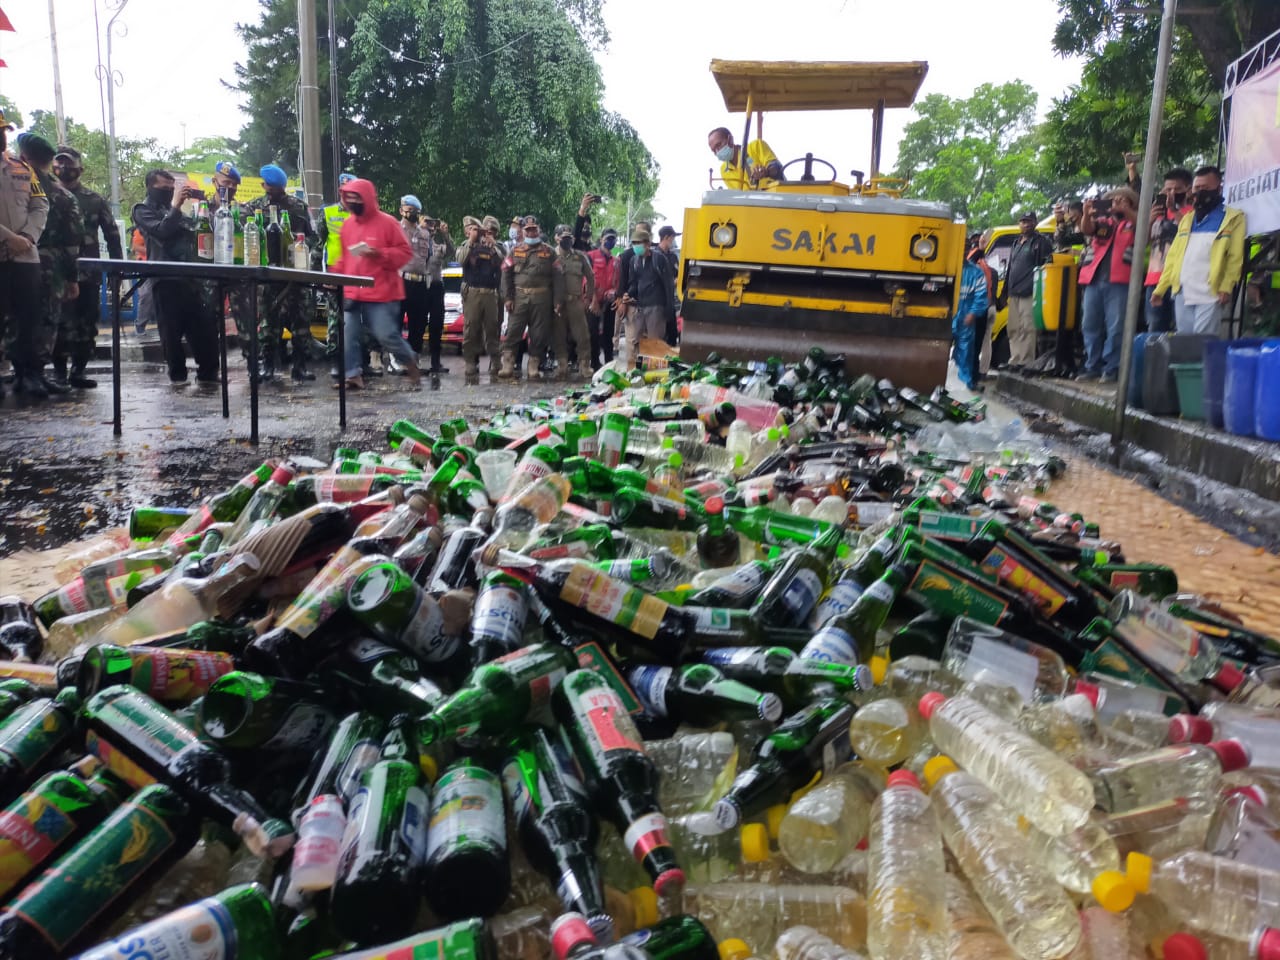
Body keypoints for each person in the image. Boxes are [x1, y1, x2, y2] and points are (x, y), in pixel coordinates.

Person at [131, 169, 220, 384]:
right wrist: (176, 206)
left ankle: (208, 373)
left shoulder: (178, 208)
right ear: (151, 187)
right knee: (171, 332)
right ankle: (178, 376)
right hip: (166, 278)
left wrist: (202, 205)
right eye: (164, 188)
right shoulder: (142, 209)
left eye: (172, 188)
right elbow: (162, 230)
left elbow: (195, 229)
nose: (169, 192)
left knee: (204, 327)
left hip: (192, 276)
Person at [331, 178, 419, 390]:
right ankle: (352, 374)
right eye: (348, 198)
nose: (351, 202)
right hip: (353, 291)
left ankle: (409, 361)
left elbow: (405, 253)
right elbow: (344, 258)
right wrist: (333, 274)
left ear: (367, 199)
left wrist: (378, 254)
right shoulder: (347, 226)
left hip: (381, 293)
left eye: (356, 198)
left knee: (386, 335)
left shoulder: (388, 223)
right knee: (348, 334)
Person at [53, 144, 123, 389]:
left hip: (88, 273)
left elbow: (112, 235)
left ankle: (78, 372)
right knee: (59, 324)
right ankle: (58, 374)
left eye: (68, 164)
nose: (63, 169)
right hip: (56, 273)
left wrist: (117, 269)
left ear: (80, 169)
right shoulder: (47, 195)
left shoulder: (94, 200)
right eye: (59, 163)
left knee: (86, 323)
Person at [17, 133, 80, 397]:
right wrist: (72, 278)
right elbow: (71, 241)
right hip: (51, 267)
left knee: (15, 319)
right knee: (46, 320)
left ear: (23, 157)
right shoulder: (63, 195)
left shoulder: (14, 185)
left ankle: (23, 374)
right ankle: (34, 374)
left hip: (16, 261)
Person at [1151, 165, 1246, 336]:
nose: (1200, 192)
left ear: (1219, 188)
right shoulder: (1187, 219)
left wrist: (1226, 286)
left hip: (1210, 293)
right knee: (1185, 343)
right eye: (1197, 188)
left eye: (1206, 188)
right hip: (1182, 291)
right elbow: (1173, 257)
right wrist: (1160, 289)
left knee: (1203, 344)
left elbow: (1235, 257)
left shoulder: (1233, 218)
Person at [244, 163, 316, 381]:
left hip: (294, 274)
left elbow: (312, 236)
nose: (270, 190)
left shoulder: (298, 207)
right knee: (268, 324)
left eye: (274, 187)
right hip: (268, 276)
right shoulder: (254, 206)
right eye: (269, 186)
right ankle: (268, 366)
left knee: (301, 324)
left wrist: (301, 246)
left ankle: (300, 367)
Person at [0, 111, 49, 400]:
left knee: (29, 317)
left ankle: (27, 374)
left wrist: (29, 237)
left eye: (5, 131)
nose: (3, 136)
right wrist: (10, 238)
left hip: (25, 256)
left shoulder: (21, 167)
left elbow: (40, 204)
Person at [1078, 186, 1140, 382]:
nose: (1117, 203)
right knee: (1089, 324)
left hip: (1120, 281)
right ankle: (1092, 366)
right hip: (1094, 279)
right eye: (1114, 200)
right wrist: (1087, 214)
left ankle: (1112, 368)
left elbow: (1144, 232)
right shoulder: (1103, 221)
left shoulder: (1134, 221)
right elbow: (1087, 229)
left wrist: (1127, 212)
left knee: (1116, 327)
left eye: (1123, 200)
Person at [500, 215, 563, 382]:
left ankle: (533, 366)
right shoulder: (515, 251)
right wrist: (508, 298)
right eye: (528, 229)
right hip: (519, 298)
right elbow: (505, 274)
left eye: (534, 229)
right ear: (523, 231)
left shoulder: (549, 252)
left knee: (538, 334)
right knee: (513, 331)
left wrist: (557, 301)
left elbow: (558, 278)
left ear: (538, 230)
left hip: (542, 299)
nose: (531, 232)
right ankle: (507, 364)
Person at [317, 172, 367, 377]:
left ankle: (361, 363)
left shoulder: (363, 215)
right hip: (334, 274)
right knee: (335, 320)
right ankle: (336, 361)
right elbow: (317, 246)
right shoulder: (327, 212)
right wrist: (319, 277)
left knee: (360, 320)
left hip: (358, 276)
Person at [1142, 168, 1193, 334]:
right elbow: (1141, 243)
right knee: (1155, 327)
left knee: (1182, 326)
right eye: (1167, 189)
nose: (1171, 193)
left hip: (1180, 277)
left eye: (1177, 189)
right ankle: (1154, 361)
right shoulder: (1157, 213)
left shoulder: (1192, 212)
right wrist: (1149, 221)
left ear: (1188, 189)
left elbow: (1190, 234)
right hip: (1155, 278)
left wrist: (1174, 211)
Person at [1001, 210, 1053, 372]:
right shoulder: (1016, 243)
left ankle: (1026, 361)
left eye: (1029, 221)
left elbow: (1046, 267)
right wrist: (1004, 292)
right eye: (1023, 221)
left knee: (1027, 327)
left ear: (1035, 223)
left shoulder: (1041, 242)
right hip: (1014, 292)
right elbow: (1010, 268)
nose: (1026, 224)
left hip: (1030, 291)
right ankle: (1015, 360)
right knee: (1013, 328)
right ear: (1019, 223)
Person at [456, 215, 504, 384]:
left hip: (491, 293)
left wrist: (493, 247)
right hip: (473, 291)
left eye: (490, 232)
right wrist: (471, 240)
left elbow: (503, 263)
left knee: (492, 329)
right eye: (484, 231)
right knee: (471, 329)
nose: (486, 234)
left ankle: (496, 362)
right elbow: (460, 260)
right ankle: (470, 361)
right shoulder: (468, 245)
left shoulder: (497, 247)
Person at [616, 227, 675, 359]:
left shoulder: (659, 259)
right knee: (636, 341)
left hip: (656, 307)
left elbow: (668, 285)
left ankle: (655, 373)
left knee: (655, 342)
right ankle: (637, 370)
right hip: (640, 306)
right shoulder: (634, 261)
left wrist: (669, 309)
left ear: (648, 244)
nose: (636, 246)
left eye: (639, 243)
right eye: (634, 243)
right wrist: (628, 294)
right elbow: (634, 283)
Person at [553, 223, 595, 380]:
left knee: (582, 335)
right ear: (557, 239)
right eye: (564, 238)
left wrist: (588, 298)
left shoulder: (580, 256)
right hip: (557, 303)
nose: (567, 240)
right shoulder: (551, 255)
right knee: (559, 335)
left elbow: (591, 277)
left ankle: (584, 366)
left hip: (575, 301)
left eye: (569, 238)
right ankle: (562, 366)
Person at [399, 194, 433, 360]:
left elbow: (427, 258)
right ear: (401, 210)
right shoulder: (396, 230)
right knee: (397, 320)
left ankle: (414, 358)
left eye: (416, 211)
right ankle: (396, 358)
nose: (413, 214)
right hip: (401, 281)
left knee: (418, 323)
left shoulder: (425, 234)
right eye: (409, 210)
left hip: (419, 283)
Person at [420, 211, 454, 375]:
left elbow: (451, 251)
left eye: (432, 223)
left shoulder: (438, 247)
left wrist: (445, 235)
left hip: (435, 286)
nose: (430, 226)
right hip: (420, 286)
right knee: (418, 325)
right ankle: (415, 361)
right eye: (427, 222)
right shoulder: (416, 242)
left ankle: (435, 362)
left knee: (436, 326)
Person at [952, 254, 989, 392]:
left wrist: (973, 313)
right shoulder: (946, 267)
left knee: (966, 352)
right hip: (948, 315)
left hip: (965, 317)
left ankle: (966, 383)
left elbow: (981, 296)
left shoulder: (976, 272)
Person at [707, 126, 783, 191]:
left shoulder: (756, 146)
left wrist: (766, 172)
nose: (717, 152)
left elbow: (777, 168)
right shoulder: (724, 170)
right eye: (714, 150)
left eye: (719, 145)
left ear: (730, 139)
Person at [587, 228, 620, 369]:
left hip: (609, 302)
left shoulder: (616, 261)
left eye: (613, 239)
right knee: (593, 333)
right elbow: (587, 280)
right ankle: (594, 362)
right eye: (608, 239)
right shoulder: (591, 256)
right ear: (601, 239)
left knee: (608, 332)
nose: (610, 242)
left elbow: (618, 282)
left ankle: (609, 362)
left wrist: (613, 292)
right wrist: (593, 300)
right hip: (592, 300)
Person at [966, 242, 996, 385]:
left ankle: (973, 375)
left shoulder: (976, 267)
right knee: (982, 342)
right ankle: (979, 373)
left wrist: (980, 248)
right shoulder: (987, 268)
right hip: (986, 307)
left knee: (974, 342)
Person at [656, 225, 681, 345]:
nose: (673, 241)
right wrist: (670, 282)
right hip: (658, 301)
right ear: (666, 238)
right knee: (659, 336)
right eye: (672, 238)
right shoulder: (654, 255)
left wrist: (676, 281)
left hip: (670, 301)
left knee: (672, 334)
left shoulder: (673, 257)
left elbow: (678, 274)